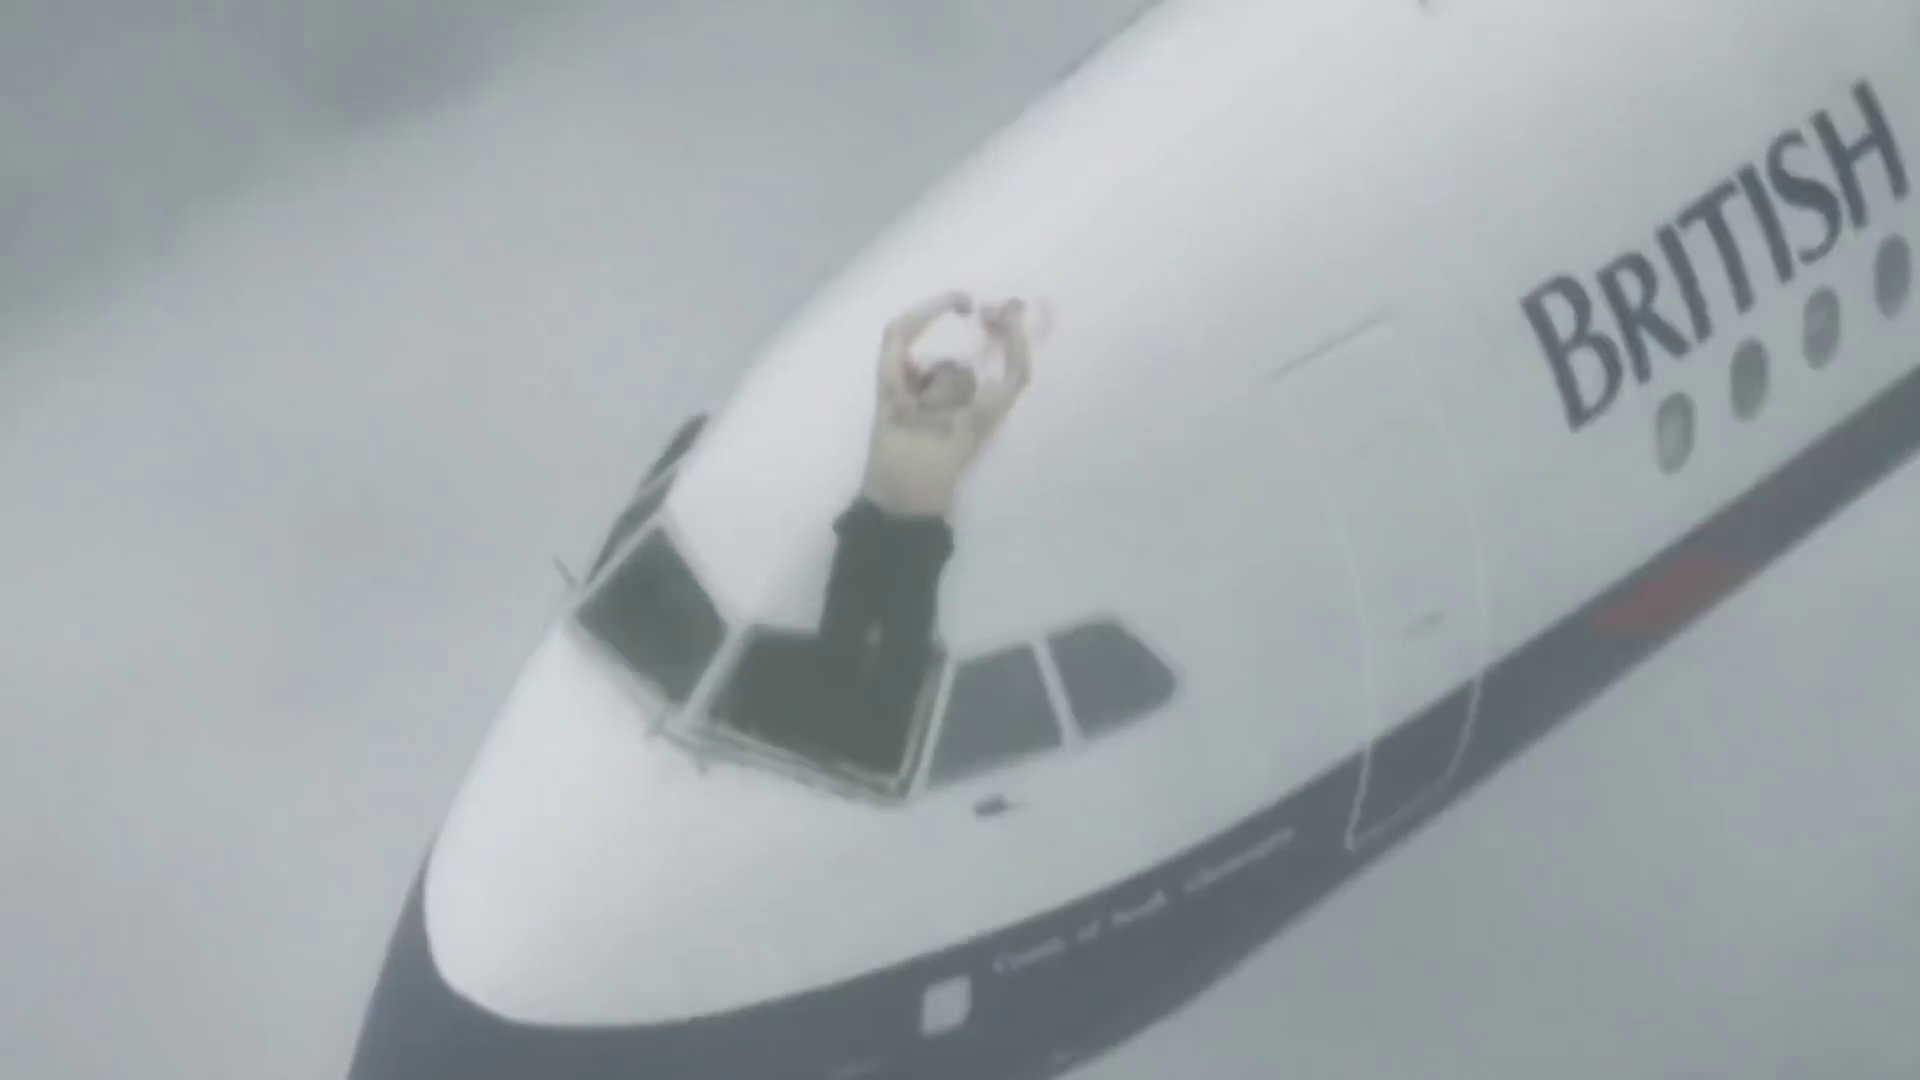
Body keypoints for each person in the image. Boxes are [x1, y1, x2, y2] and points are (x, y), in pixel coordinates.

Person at [815, 288, 1034, 769]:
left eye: (963, 375)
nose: (954, 374)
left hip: (915, 545)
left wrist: (1011, 320)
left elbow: (1018, 376)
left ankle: (874, 750)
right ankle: (826, 736)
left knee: (904, 653)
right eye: (945, 370)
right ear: (925, 380)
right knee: (837, 640)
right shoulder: (895, 403)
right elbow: (895, 333)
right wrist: (944, 304)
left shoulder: (966, 423)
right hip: (867, 532)